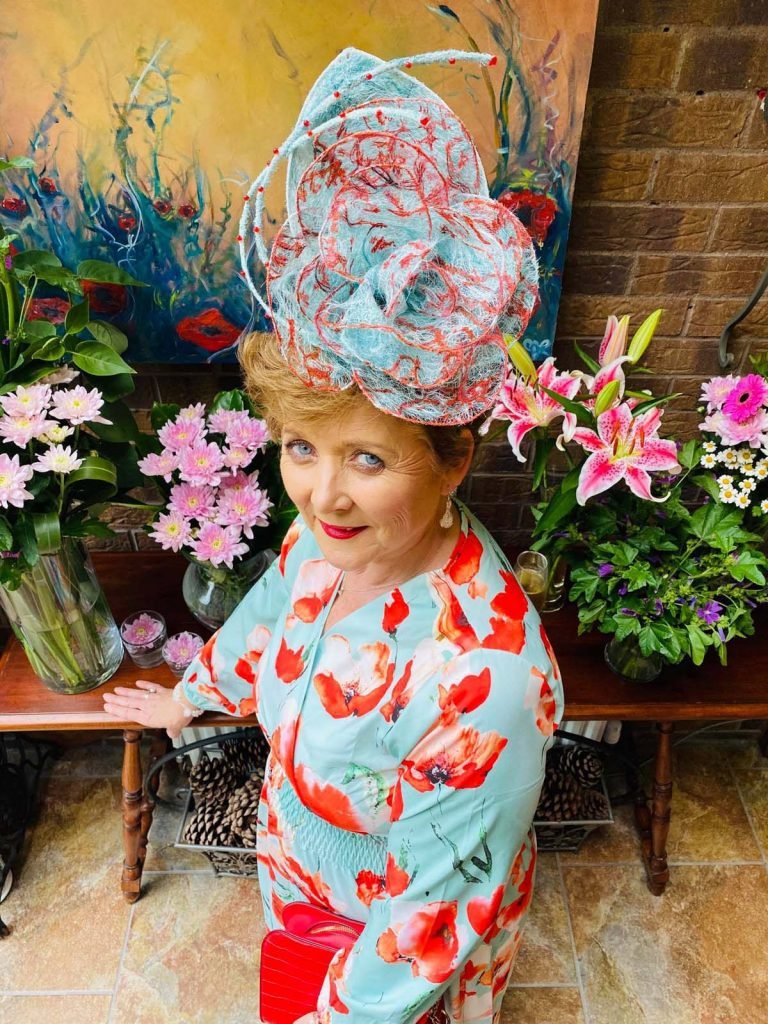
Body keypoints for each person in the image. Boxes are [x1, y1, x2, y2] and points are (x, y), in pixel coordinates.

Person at [103, 46, 564, 1024]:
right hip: (299, 871)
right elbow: (277, 611)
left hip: (392, 944)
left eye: (367, 459)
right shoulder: (326, 542)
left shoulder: (489, 684)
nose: (320, 495)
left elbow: (432, 919)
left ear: (453, 460)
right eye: (302, 446)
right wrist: (194, 690)